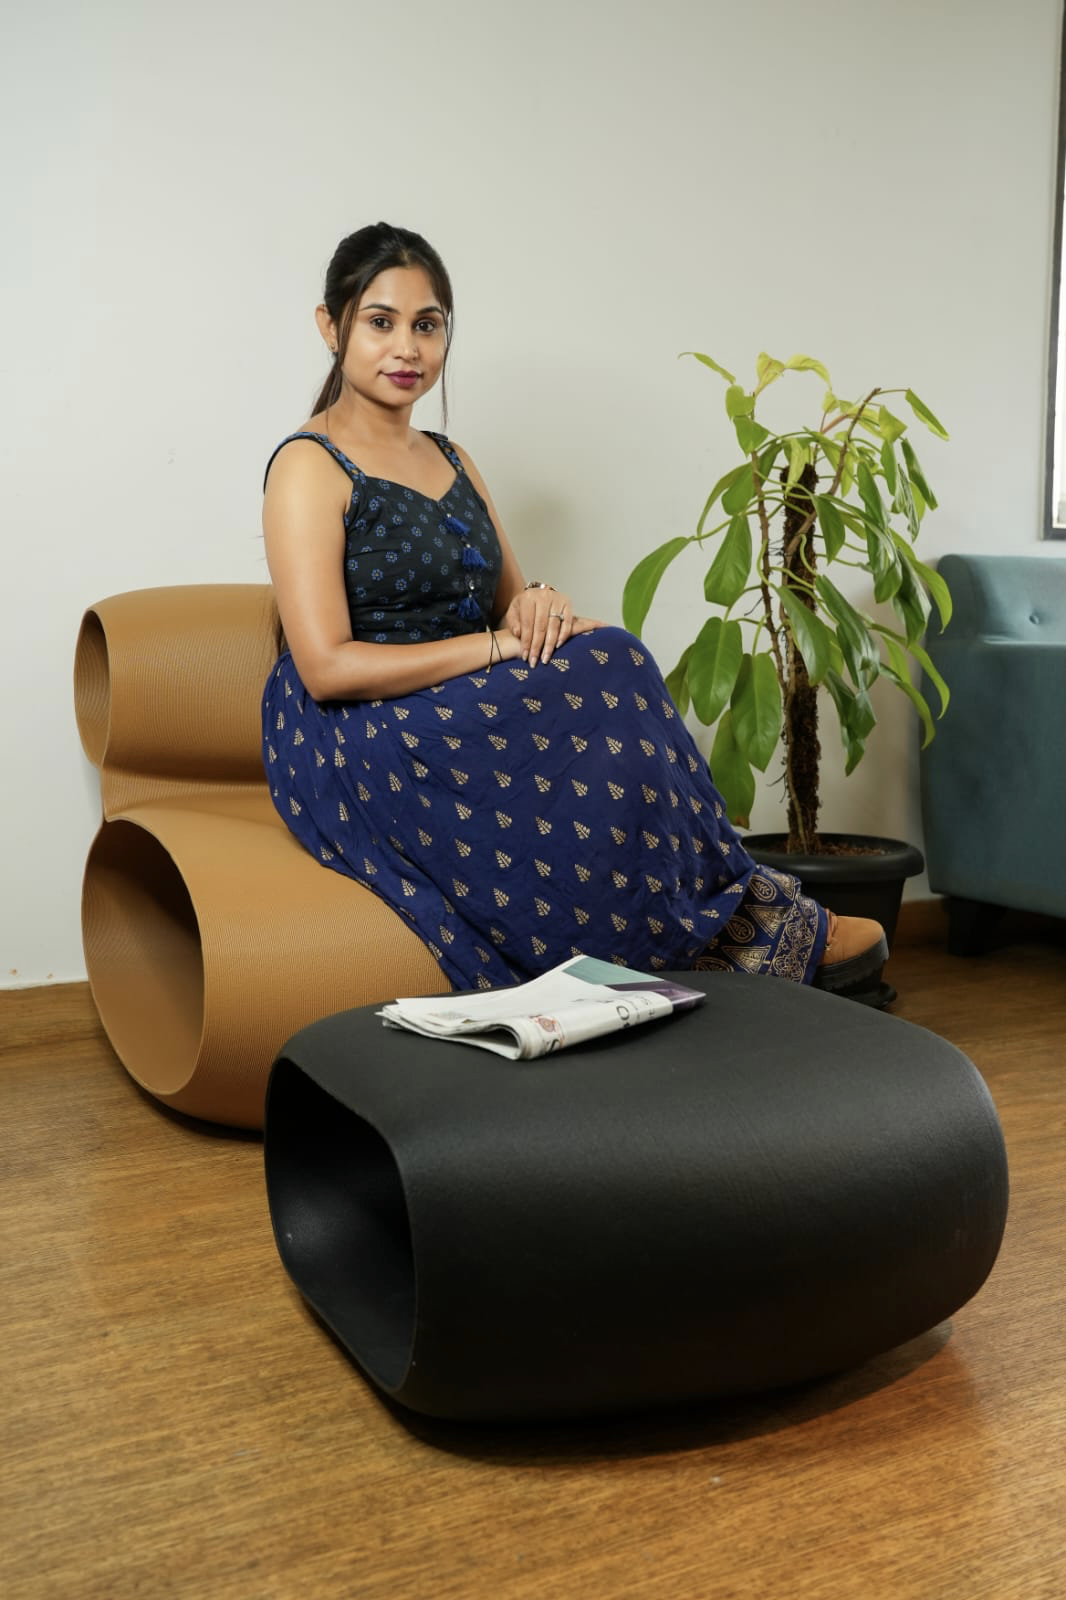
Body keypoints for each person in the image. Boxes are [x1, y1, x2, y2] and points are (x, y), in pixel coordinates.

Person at [261, 222, 887, 1000]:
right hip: (358, 728)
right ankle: (731, 931)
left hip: (458, 693)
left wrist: (540, 603)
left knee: (612, 654)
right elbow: (326, 667)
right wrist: (496, 647)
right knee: (606, 670)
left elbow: (513, 604)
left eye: (427, 325)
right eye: (380, 322)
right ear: (331, 327)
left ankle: (723, 916)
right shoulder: (308, 466)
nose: (407, 348)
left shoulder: (451, 458)